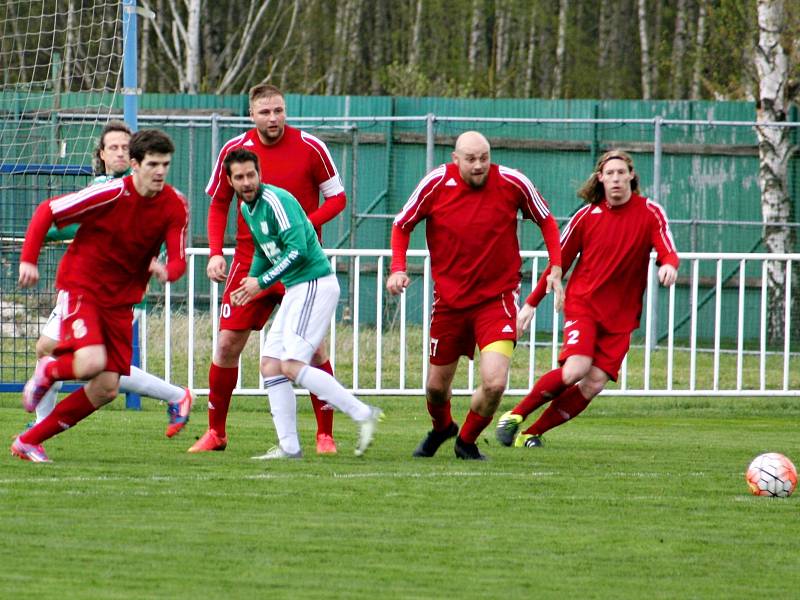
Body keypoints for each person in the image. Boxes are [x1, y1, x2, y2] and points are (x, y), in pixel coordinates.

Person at [12, 129, 189, 463]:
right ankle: (48, 371)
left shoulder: (174, 205)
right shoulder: (109, 194)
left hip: (121, 301)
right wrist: (28, 260)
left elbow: (178, 258)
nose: (160, 171)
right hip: (84, 285)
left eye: (165, 164)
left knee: (107, 386)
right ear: (135, 165)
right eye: (153, 164)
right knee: (91, 361)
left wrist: (169, 272)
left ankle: (29, 441)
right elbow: (47, 210)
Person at [386, 131, 563, 460]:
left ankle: (466, 441)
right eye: (471, 159)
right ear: (455, 159)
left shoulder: (513, 182)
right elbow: (401, 223)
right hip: (449, 303)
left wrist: (556, 265)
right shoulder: (435, 183)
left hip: (496, 300)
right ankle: (442, 428)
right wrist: (398, 267)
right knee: (436, 388)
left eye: (485, 157)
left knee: (495, 383)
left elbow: (546, 219)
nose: (480, 165)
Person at [193, 83, 346, 454]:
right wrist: (216, 252)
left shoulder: (311, 147)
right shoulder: (235, 151)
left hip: (300, 263)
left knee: (313, 349)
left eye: (278, 110)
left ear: (285, 110)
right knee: (228, 343)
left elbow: (338, 198)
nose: (273, 118)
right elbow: (217, 205)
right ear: (252, 115)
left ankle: (324, 435)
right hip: (251, 259)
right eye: (265, 112)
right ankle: (216, 432)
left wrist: (303, 228)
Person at [495, 150, 679, 448]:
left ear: (632, 176)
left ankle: (531, 433)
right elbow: (559, 264)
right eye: (610, 173)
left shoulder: (650, 212)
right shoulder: (586, 216)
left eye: (622, 172)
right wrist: (530, 303)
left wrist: (669, 264)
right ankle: (515, 416)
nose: (616, 178)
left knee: (593, 384)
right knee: (575, 370)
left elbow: (666, 248)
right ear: (601, 178)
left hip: (621, 317)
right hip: (584, 305)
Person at [224, 149, 381, 458]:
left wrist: (262, 282)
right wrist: (252, 282)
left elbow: (298, 252)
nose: (246, 182)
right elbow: (263, 249)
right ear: (230, 181)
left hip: (314, 283)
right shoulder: (247, 209)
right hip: (299, 287)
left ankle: (364, 413)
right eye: (239, 177)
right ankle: (290, 447)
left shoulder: (275, 201)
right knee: (271, 366)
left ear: (260, 174)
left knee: (292, 365)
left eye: (251, 175)